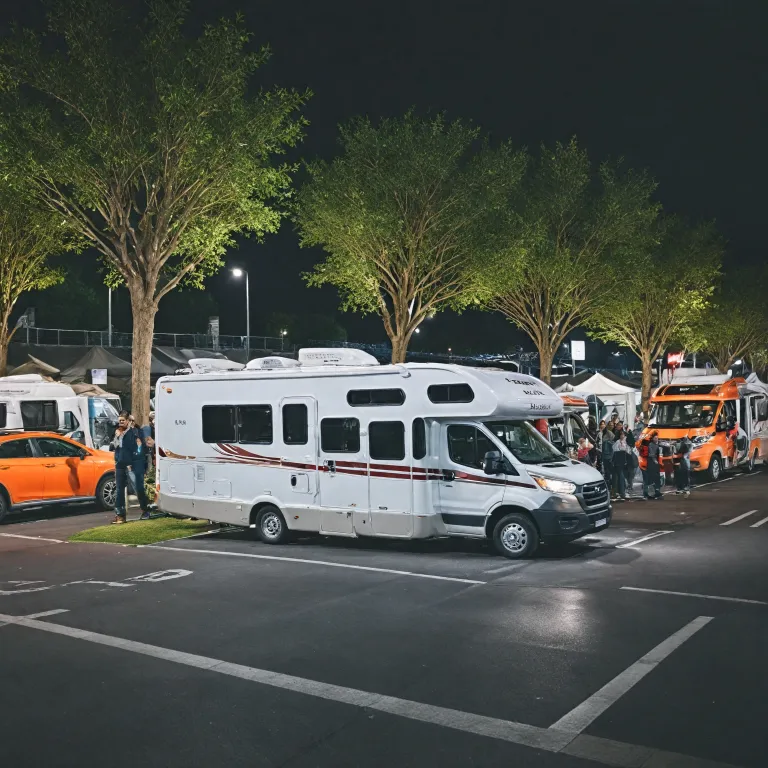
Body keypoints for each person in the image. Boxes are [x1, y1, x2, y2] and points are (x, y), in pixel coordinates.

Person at [110, 410, 150, 523]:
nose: (120, 422)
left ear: (128, 421)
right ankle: (120, 515)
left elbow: (138, 449)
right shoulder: (117, 432)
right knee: (119, 490)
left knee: (138, 488)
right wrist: (117, 438)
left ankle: (145, 510)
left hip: (132, 465)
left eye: (123, 420)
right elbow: (115, 447)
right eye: (119, 421)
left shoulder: (135, 432)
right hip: (120, 464)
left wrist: (131, 463)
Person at [612, 429, 632, 500]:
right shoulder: (617, 442)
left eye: (623, 434)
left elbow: (629, 450)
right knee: (621, 476)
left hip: (626, 461)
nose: (622, 436)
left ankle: (622, 491)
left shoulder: (626, 442)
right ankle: (622, 492)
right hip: (619, 461)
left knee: (625, 476)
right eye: (621, 434)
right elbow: (615, 450)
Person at [646, 432, 663, 500]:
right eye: (655, 438)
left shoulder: (658, 445)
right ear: (652, 438)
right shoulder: (651, 445)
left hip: (656, 463)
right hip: (652, 463)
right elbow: (651, 454)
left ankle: (657, 491)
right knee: (652, 478)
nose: (656, 439)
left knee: (657, 478)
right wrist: (655, 460)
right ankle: (652, 493)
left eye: (657, 438)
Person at [600, 424, 615, 493]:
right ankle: (609, 486)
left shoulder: (608, 436)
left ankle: (609, 486)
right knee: (607, 471)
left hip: (607, 456)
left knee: (608, 471)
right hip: (606, 456)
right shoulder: (601, 434)